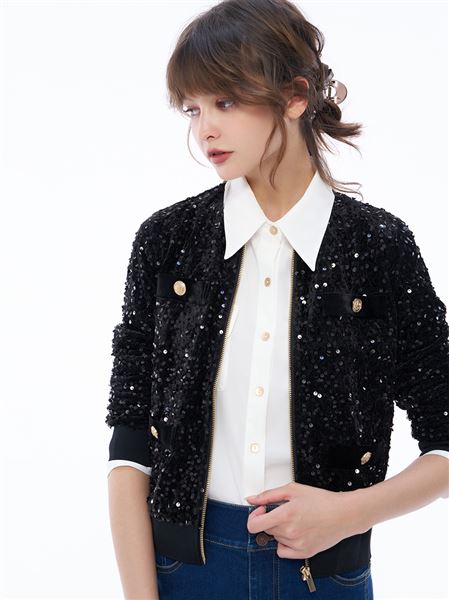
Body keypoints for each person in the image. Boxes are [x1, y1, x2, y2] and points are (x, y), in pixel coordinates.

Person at [105, 1, 449, 598]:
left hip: (326, 576)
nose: (204, 130)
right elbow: (130, 445)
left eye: (226, 101)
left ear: (294, 96)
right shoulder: (166, 242)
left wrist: (347, 514)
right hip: (185, 572)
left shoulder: (380, 246)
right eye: (194, 108)